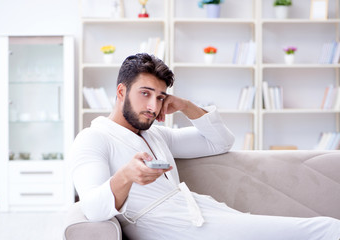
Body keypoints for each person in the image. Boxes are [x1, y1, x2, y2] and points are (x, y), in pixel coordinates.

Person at [71, 53, 340, 240]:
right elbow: (93, 208)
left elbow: (220, 141)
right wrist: (126, 176)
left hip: (206, 217)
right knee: (325, 230)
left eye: (160, 97)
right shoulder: (93, 138)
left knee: (325, 229)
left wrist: (186, 106)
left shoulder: (157, 136)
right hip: (176, 229)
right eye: (145, 94)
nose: (154, 107)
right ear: (121, 92)